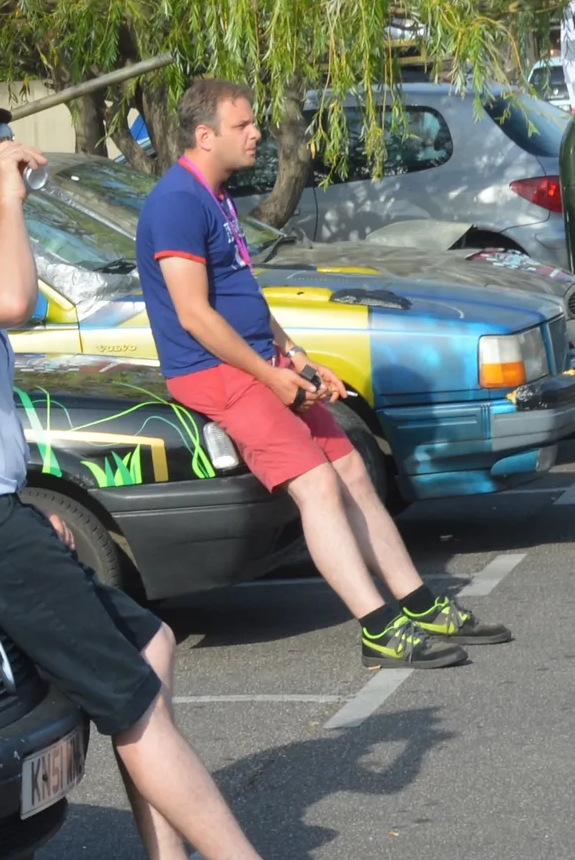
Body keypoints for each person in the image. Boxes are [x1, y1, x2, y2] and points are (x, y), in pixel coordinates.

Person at [0, 57, 349, 860]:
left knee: (149, 642)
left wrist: (10, 200)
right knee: (130, 695)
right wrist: (7, 199)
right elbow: (11, 301)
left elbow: (15, 300)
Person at [138, 78, 509, 668]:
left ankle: (416, 602)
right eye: (243, 125)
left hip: (258, 364)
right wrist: (268, 373)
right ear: (204, 136)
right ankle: (379, 629)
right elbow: (195, 315)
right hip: (218, 373)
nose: (257, 132)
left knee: (353, 472)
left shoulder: (216, 195)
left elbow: (242, 297)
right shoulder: (178, 202)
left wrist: (298, 358)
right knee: (317, 488)